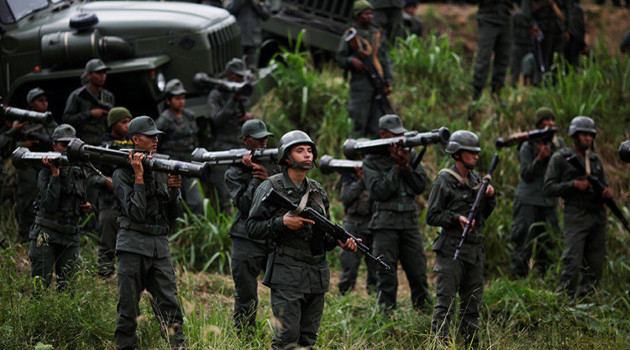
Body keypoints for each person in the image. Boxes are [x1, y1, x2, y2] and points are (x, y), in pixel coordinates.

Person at [246, 130, 357, 349]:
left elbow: (323, 238)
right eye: (300, 151)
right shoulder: (270, 186)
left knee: (307, 339)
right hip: (287, 272)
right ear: (286, 157)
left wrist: (339, 241)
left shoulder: (316, 190)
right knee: (287, 338)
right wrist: (282, 223)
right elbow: (251, 228)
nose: (307, 155)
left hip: (316, 274)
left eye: (309, 151)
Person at [112, 116, 187, 349]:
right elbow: (135, 212)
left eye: (157, 136)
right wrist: (138, 177)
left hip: (159, 247)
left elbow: (174, 214)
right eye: (150, 136)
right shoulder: (121, 173)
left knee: (171, 307)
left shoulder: (161, 167)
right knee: (128, 310)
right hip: (132, 244)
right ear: (135, 139)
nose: (156, 140)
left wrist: (175, 191)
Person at [426, 130, 496, 347]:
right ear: (457, 154)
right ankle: (440, 344)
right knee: (445, 303)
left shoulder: (477, 180)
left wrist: (490, 198)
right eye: (471, 152)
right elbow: (432, 216)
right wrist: (456, 218)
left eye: (476, 153)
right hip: (451, 249)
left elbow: (484, 215)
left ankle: (472, 344)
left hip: (474, 249)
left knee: (472, 304)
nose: (476, 156)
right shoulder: (444, 180)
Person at [362, 114, 431, 311]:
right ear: (383, 135)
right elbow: (379, 192)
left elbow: (420, 186)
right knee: (386, 275)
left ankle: (425, 315)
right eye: (395, 135)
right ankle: (386, 318)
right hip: (385, 224)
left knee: (418, 272)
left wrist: (406, 166)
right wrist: (396, 168)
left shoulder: (410, 155)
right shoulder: (371, 160)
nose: (400, 140)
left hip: (409, 222)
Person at [544, 116, 612, 299]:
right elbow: (548, 188)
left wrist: (606, 192)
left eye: (591, 135)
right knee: (572, 262)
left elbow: (603, 185)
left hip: (597, 216)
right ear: (574, 136)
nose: (588, 138)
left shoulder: (595, 160)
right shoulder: (561, 158)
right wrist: (573, 185)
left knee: (595, 264)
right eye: (584, 134)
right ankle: (563, 302)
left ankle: (586, 303)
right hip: (576, 216)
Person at [224, 119, 279, 335]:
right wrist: (257, 179)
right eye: (259, 138)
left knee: (284, 292)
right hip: (246, 237)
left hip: (273, 234)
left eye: (266, 137)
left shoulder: (274, 165)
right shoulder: (234, 172)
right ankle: (246, 338)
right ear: (246, 141)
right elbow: (245, 205)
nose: (264, 141)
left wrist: (268, 177)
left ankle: (285, 336)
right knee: (246, 295)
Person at [28, 124, 91, 294]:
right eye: (63, 145)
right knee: (40, 286)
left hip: (70, 235)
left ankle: (64, 321)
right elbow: (49, 205)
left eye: (71, 146)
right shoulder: (45, 172)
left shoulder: (79, 170)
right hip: (46, 233)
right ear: (54, 146)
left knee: (68, 290)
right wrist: (55, 175)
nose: (67, 150)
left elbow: (81, 198)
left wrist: (84, 207)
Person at [510, 107, 565, 278]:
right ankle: (518, 281)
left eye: (551, 119)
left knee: (548, 242)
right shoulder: (527, 145)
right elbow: (526, 174)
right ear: (538, 124)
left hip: (548, 201)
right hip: (528, 200)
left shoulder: (558, 144)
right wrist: (539, 159)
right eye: (545, 120)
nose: (549, 123)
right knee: (523, 243)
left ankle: (545, 280)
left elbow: (562, 168)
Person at [336, 0, 393, 137]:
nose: (369, 16)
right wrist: (352, 61)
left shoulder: (377, 34)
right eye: (366, 13)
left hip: (377, 81)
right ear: (358, 15)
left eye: (371, 13)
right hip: (360, 84)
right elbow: (340, 59)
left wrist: (388, 80)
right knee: (358, 120)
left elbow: (385, 59)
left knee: (377, 122)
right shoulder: (351, 35)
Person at [207, 58, 253, 212]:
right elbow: (216, 120)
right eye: (238, 76)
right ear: (229, 75)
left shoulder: (242, 91)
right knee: (224, 191)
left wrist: (248, 117)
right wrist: (232, 101)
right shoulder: (217, 94)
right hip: (223, 147)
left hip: (240, 145)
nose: (242, 80)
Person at [93, 107, 133, 278]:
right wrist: (107, 181)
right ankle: (104, 278)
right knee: (107, 245)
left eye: (129, 121)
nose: (128, 125)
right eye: (123, 122)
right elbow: (91, 176)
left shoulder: (134, 145)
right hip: (109, 203)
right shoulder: (103, 147)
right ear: (113, 124)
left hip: (130, 204)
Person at [15, 88, 57, 243]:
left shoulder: (49, 120)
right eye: (40, 100)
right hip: (28, 164)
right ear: (31, 103)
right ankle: (25, 236)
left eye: (46, 100)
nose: (44, 103)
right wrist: (23, 144)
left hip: (46, 162)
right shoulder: (21, 121)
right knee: (27, 198)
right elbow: (7, 143)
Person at [156, 79, 204, 215]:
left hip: (189, 165)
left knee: (197, 202)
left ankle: (196, 231)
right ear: (168, 101)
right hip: (171, 167)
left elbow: (195, 139)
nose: (181, 101)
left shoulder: (189, 116)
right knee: (174, 202)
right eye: (177, 98)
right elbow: (156, 145)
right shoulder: (164, 120)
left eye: (183, 98)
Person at [337, 164, 377, 295]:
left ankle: (374, 295)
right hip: (353, 223)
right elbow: (346, 197)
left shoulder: (375, 172)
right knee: (349, 263)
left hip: (373, 223)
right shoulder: (348, 174)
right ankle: (345, 295)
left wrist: (369, 178)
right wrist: (362, 180)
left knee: (375, 264)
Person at [62, 58, 116, 145]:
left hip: (104, 141)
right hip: (83, 142)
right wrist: (90, 114)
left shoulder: (108, 96)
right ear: (88, 75)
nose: (103, 76)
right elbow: (67, 119)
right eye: (98, 73)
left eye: (104, 73)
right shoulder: (77, 95)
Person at [471, 0, 515, 100]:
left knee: (503, 58)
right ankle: (476, 96)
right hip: (488, 17)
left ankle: (496, 94)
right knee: (484, 58)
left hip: (505, 17)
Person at [521, 0, 575, 76]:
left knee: (557, 61)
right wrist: (531, 24)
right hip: (541, 28)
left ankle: (554, 84)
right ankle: (541, 84)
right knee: (542, 62)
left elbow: (568, 8)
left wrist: (568, 29)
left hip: (558, 27)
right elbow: (527, 6)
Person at [223, 0, 271, 68]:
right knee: (233, 67)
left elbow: (266, 15)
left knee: (251, 69)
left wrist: (254, 2)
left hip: (252, 39)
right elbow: (228, 10)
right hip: (237, 38)